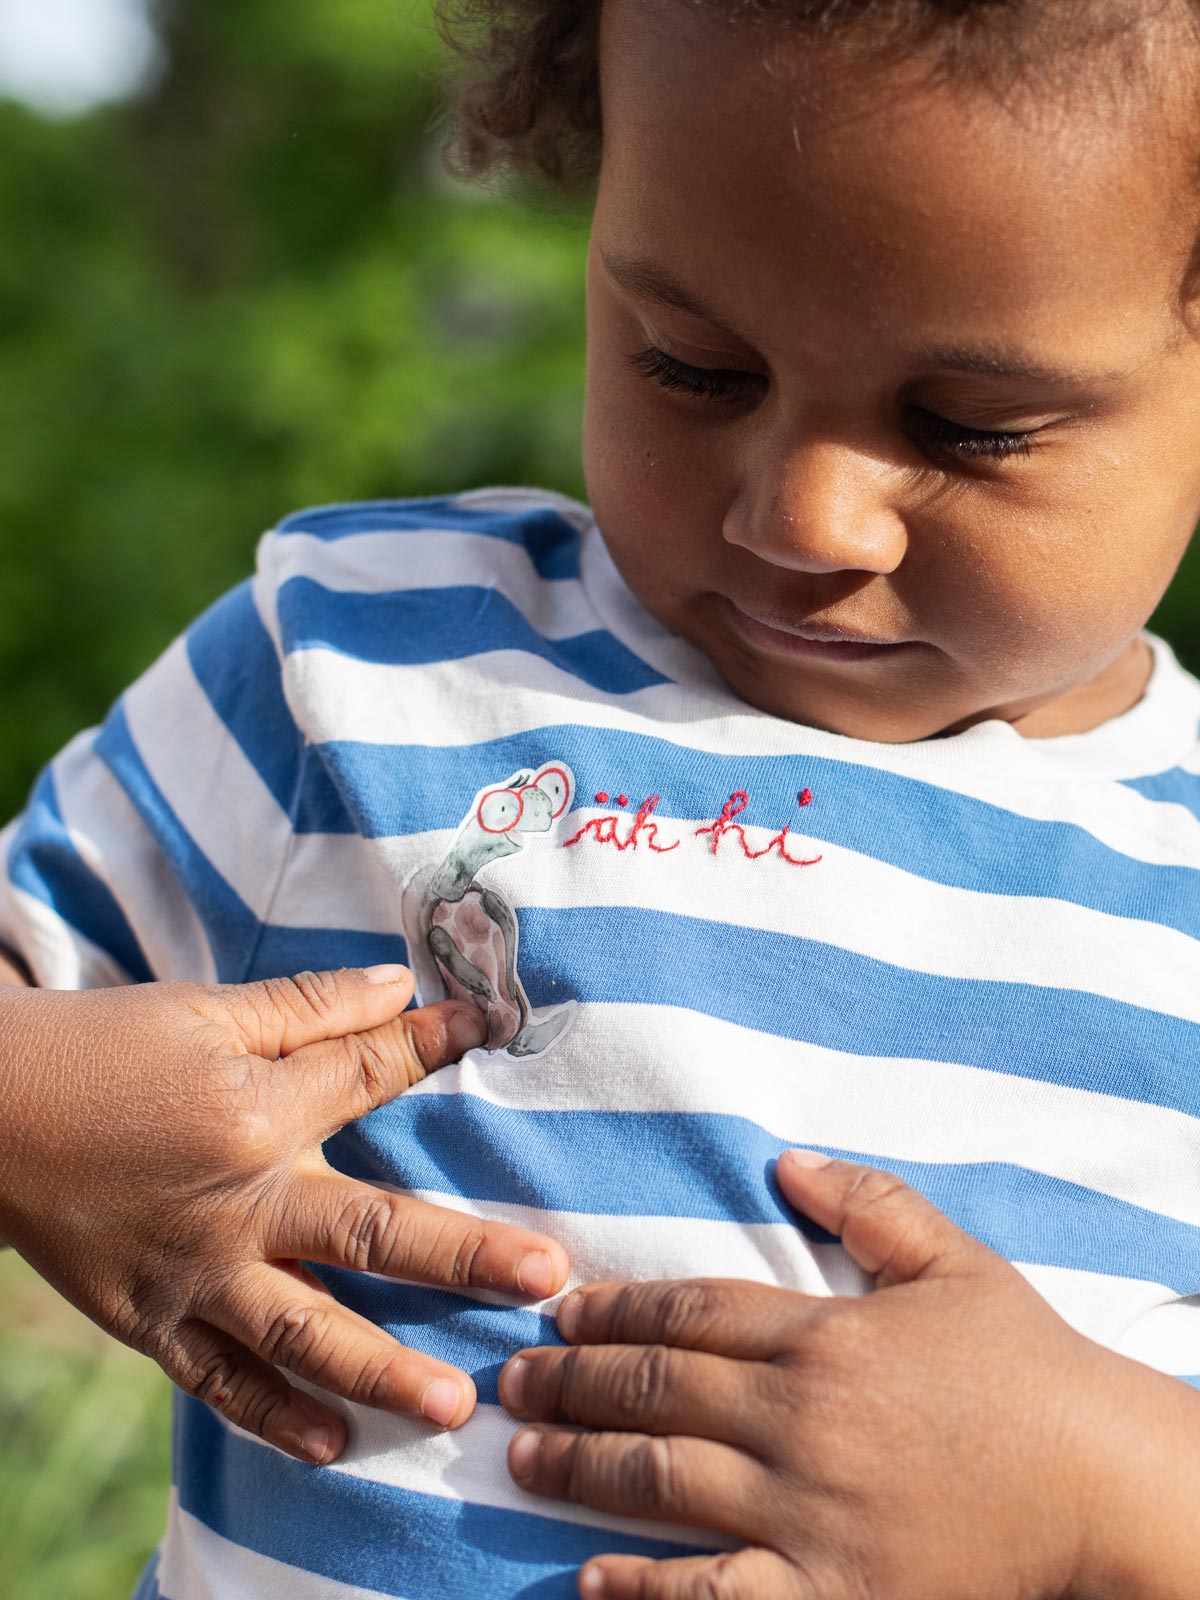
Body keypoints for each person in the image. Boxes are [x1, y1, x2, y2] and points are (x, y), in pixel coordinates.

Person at [2, 0, 1200, 1595]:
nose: (802, 515)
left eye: (968, 428)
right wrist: (32, 1116)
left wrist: (1107, 1497)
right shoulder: (359, 660)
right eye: (690, 367)